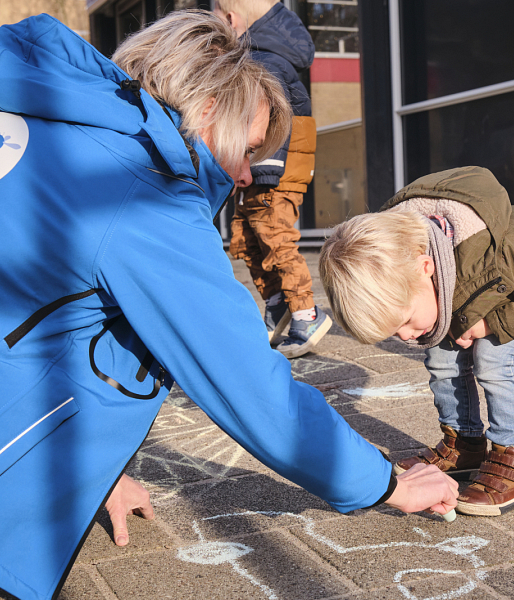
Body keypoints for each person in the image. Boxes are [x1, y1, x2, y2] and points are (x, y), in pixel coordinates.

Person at [0, 12, 456, 600]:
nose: (245, 175)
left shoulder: (44, 121)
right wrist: (386, 485)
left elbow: (49, 312)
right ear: (208, 109)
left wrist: (91, 471)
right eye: (248, 148)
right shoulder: (140, 193)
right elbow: (248, 382)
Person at [319, 166, 514, 516]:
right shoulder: (409, 256)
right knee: (440, 353)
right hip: (467, 298)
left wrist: (490, 323)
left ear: (427, 268)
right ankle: (465, 445)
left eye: (403, 321)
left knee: (494, 358)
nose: (403, 336)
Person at [214, 0, 330, 359]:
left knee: (274, 236)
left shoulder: (264, 62)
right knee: (245, 239)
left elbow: (270, 124)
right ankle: (279, 306)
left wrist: (260, 168)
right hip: (262, 170)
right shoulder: (260, 58)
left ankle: (306, 314)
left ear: (232, 21)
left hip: (272, 172)